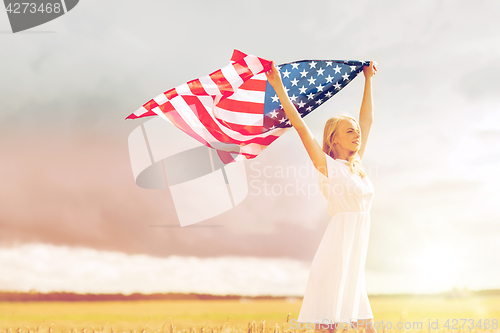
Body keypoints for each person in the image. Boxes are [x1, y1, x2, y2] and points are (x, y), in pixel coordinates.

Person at [265, 61, 378, 333]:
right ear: (334, 139)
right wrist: (278, 86)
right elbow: (302, 128)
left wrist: (368, 79)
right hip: (337, 253)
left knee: (366, 326)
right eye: (349, 131)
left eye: (357, 132)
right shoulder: (328, 167)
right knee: (328, 327)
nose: (357, 134)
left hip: (355, 256)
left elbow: (368, 120)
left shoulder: (357, 166)